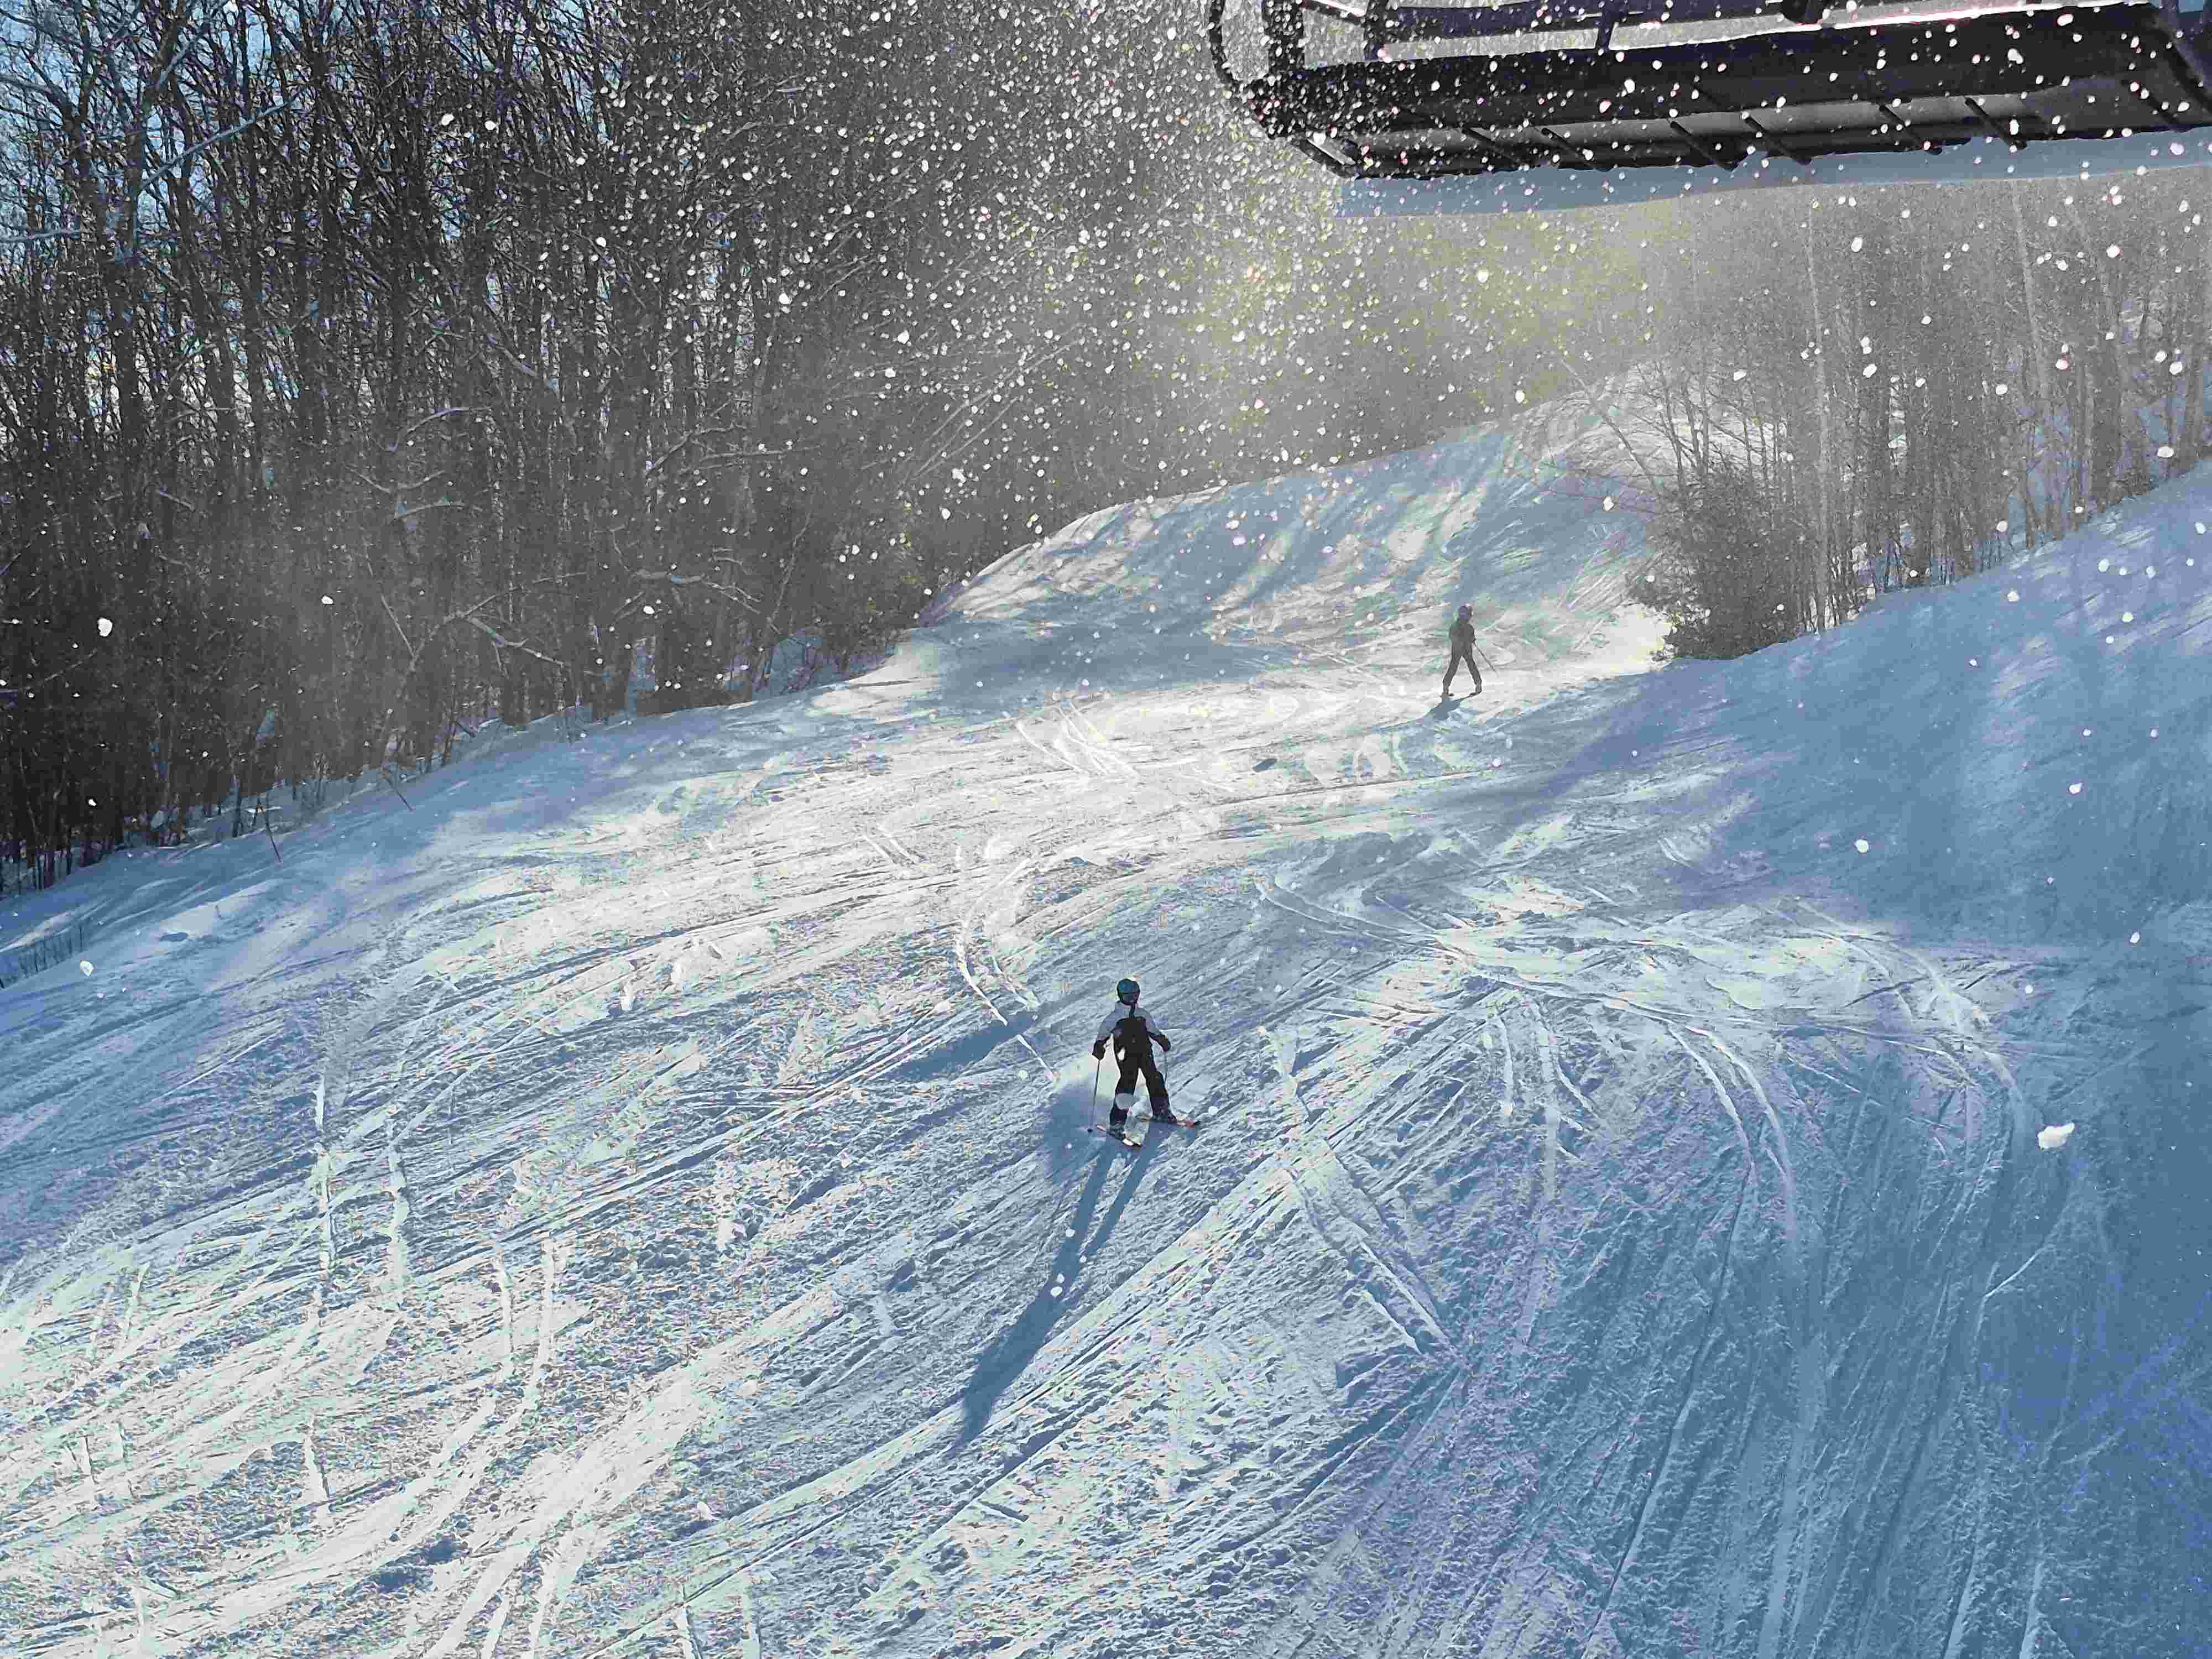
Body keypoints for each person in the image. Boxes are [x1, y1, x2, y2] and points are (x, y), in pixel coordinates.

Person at [1092, 977, 1179, 1134]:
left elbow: (1153, 1030)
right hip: (1125, 1055)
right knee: (1127, 1083)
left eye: (1135, 996)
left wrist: (1162, 1040)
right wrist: (1099, 1047)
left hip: (1145, 1051)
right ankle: (1117, 1123)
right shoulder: (1114, 1018)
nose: (1132, 1000)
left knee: (1154, 1078)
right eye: (1128, 997)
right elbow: (1102, 1035)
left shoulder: (1142, 1014)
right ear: (1121, 996)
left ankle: (1162, 1111)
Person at [1443, 604, 1481, 697]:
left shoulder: (1456, 626)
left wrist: (1469, 640)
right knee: (1470, 664)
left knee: (1454, 666)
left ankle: (1446, 688)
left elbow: (1452, 636)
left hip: (1458, 649)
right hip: (1464, 649)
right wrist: (1469, 640)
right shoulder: (1468, 627)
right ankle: (1478, 685)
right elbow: (1468, 637)